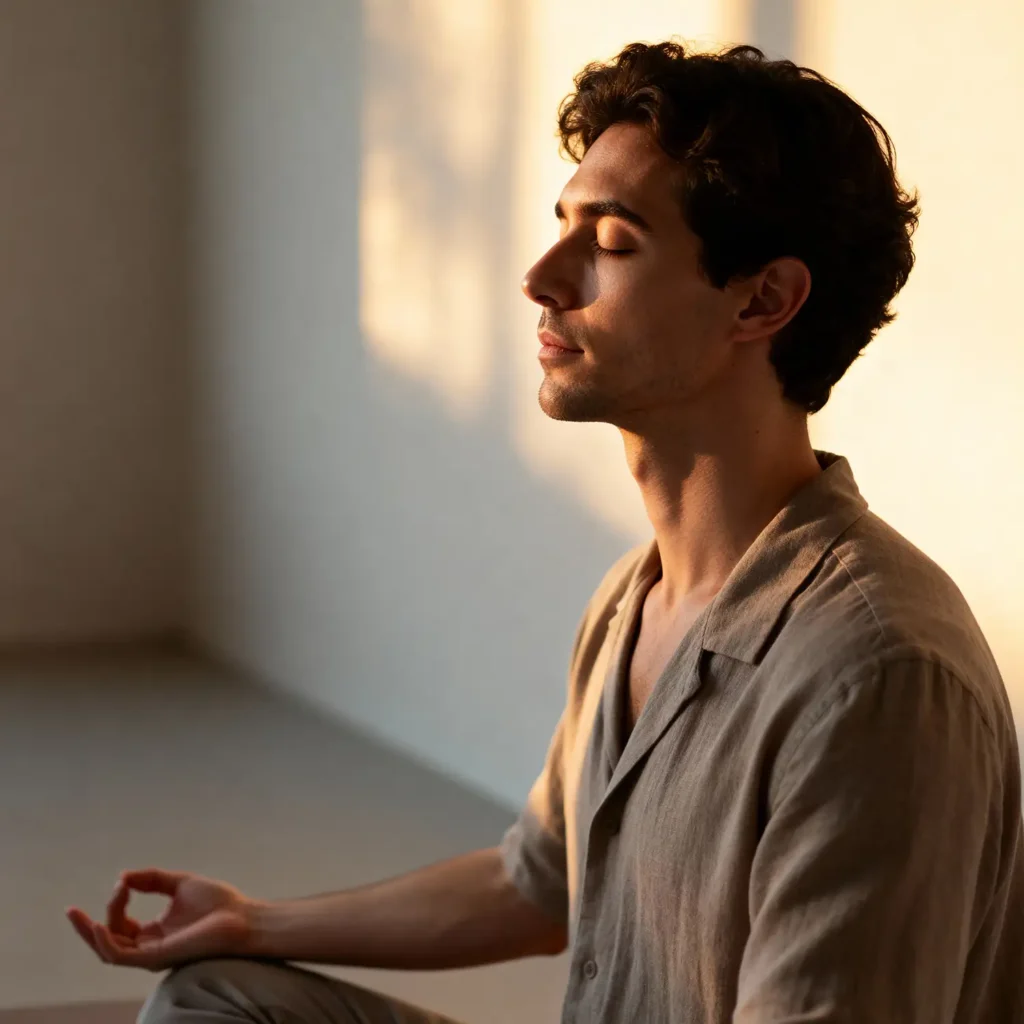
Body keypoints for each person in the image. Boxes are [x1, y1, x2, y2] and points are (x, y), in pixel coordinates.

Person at [66, 40, 1024, 1024]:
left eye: (611, 242)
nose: (540, 276)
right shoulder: (635, 598)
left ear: (762, 299)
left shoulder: (876, 677)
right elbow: (532, 883)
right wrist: (251, 922)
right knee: (213, 996)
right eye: (563, 226)